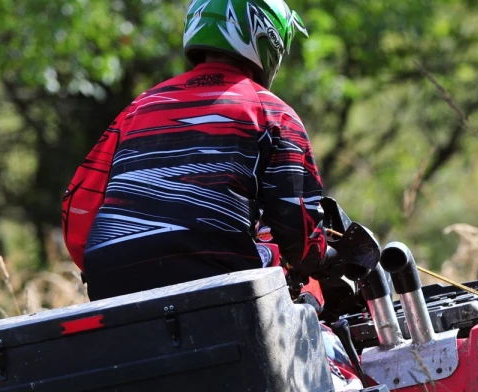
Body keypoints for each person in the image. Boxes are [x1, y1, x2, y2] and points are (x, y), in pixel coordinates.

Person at [62, 0, 327, 302]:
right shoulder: (272, 112)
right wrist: (319, 253)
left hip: (111, 283)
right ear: (268, 38)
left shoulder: (138, 107)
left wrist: (113, 262)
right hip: (218, 284)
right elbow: (298, 231)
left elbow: (78, 208)